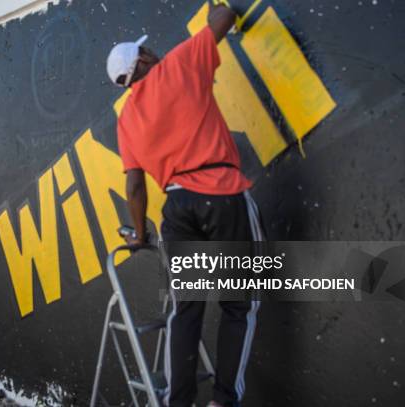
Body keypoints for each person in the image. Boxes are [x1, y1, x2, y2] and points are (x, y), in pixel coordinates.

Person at [106, 2, 265, 406]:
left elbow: (135, 186)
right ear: (142, 59)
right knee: (238, 304)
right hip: (221, 193)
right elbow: (224, 20)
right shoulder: (178, 63)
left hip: (177, 210)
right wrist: (220, 8)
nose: (152, 51)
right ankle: (224, 400)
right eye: (146, 50)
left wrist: (140, 235)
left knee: (186, 312)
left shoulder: (126, 120)